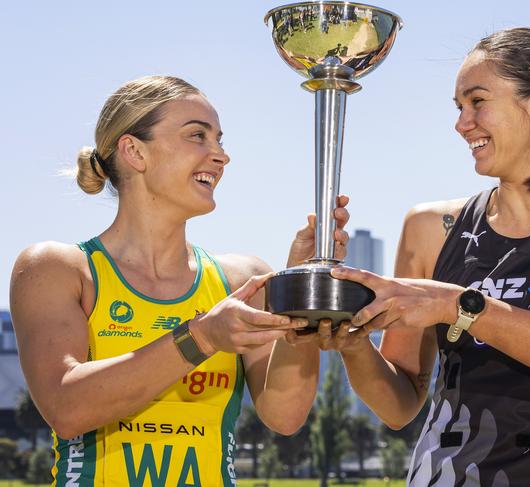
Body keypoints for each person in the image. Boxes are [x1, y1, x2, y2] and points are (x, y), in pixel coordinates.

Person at [325, 28, 530, 486]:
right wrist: (354, 343)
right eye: (459, 107)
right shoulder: (428, 228)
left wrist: (457, 306)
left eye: (477, 101)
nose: (462, 123)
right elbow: (399, 405)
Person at [9, 75, 349, 486]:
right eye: (197, 136)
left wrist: (299, 291)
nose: (221, 155)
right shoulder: (57, 269)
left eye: (220, 140)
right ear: (134, 151)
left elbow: (285, 416)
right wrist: (201, 338)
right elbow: (67, 407)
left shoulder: (243, 278)